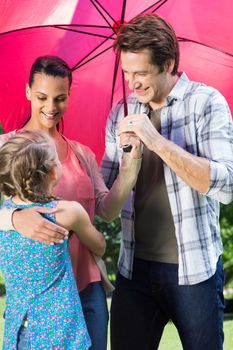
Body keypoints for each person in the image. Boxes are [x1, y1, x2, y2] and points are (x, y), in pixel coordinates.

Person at [100, 13, 233, 350]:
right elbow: (106, 207)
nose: (133, 83)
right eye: (127, 73)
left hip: (194, 272)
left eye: (141, 73)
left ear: (169, 63)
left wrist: (157, 141)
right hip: (135, 271)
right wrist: (130, 167)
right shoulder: (121, 112)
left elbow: (227, 185)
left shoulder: (207, 104)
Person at [0, 56, 142, 350]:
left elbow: (106, 209)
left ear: (69, 96)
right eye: (42, 97)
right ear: (27, 91)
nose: (51, 107)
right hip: (37, 296)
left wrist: (130, 167)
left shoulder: (81, 153)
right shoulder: (7, 149)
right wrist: (15, 217)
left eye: (60, 98)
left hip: (87, 286)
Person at [0, 129, 105, 348]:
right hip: (60, 333)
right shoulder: (67, 212)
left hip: (20, 332)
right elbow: (99, 245)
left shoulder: (6, 213)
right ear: (53, 173)